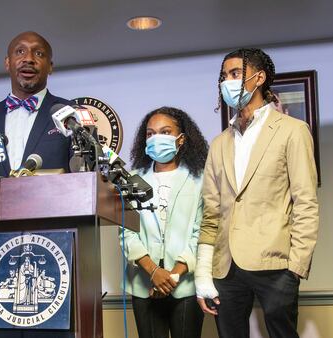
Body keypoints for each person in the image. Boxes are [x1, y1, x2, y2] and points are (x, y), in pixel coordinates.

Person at [195, 48, 319, 338]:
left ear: (259, 77)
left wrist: (296, 267)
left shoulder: (292, 130)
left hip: (275, 263)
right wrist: (203, 273)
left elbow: (306, 203)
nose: (227, 81)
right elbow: (210, 212)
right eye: (224, 76)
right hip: (225, 268)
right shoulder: (219, 143)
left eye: (235, 74)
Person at [120, 106, 208, 338]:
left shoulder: (199, 179)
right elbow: (126, 231)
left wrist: (173, 275)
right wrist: (154, 272)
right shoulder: (133, 179)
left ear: (181, 139)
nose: (156, 138)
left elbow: (203, 230)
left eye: (165, 131)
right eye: (150, 134)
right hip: (144, 284)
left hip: (185, 285)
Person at [0, 31, 71, 179]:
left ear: (50, 67)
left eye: (38, 53)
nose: (29, 59)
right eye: (20, 52)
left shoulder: (70, 112)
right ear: (7, 63)